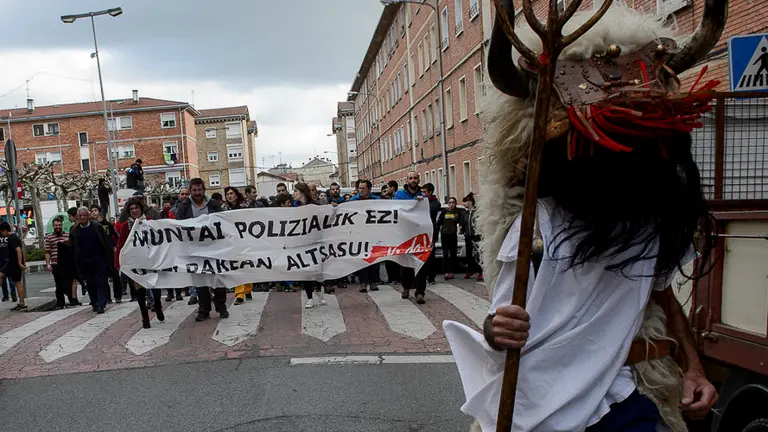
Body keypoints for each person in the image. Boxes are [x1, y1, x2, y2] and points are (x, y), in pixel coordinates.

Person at [444, 3, 724, 430]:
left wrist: (693, 367)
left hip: (624, 394)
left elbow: (662, 294)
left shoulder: (651, 222)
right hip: (546, 404)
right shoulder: (534, 227)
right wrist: (497, 330)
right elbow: (501, 315)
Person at [174, 178, 228, 321]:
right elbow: (177, 226)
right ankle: (204, 310)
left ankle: (221, 307)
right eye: (194, 190)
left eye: (199, 190)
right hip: (195, 251)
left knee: (218, 279)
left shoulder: (215, 205)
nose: (197, 193)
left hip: (215, 249)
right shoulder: (184, 207)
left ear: (204, 190)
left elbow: (223, 223)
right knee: (200, 281)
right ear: (190, 191)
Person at [115, 198, 164, 328]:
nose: (134, 211)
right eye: (131, 209)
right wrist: (118, 262)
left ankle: (158, 306)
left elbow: (159, 238)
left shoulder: (149, 221)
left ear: (141, 209)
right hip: (135, 262)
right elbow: (121, 245)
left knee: (155, 285)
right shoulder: (126, 226)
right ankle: (145, 318)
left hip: (150, 259)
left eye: (136, 208)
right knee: (140, 291)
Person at [69, 207, 114, 314]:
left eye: (85, 215)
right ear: (78, 217)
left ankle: (101, 304)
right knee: (90, 283)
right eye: (80, 216)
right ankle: (94, 302)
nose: (83, 217)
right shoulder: (75, 230)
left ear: (88, 216)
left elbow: (106, 242)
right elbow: (73, 247)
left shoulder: (97, 226)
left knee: (102, 281)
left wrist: (110, 257)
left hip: (99, 259)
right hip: (84, 261)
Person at [394, 172, 428, 304]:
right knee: (405, 263)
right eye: (410, 178)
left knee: (421, 263)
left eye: (415, 178)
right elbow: (396, 210)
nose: (413, 180)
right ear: (407, 180)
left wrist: (422, 202)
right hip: (405, 234)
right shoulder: (399, 195)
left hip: (420, 234)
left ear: (418, 180)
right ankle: (406, 287)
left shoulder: (423, 195)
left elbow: (429, 210)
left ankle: (420, 292)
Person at [293, 183, 326, 308]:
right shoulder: (294, 208)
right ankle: (309, 297)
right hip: (301, 243)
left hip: (316, 242)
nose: (293, 193)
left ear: (302, 192)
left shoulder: (316, 206)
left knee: (317, 269)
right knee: (305, 270)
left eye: (295, 191)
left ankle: (318, 288)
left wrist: (333, 208)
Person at [222, 186, 253, 305]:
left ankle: (248, 289)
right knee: (236, 267)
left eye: (231, 193)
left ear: (236, 194)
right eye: (227, 194)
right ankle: (239, 294)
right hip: (231, 242)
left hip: (244, 240)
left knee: (246, 266)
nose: (229, 196)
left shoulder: (244, 206)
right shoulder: (223, 209)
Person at [349, 180, 381, 292]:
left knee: (374, 257)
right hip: (359, 233)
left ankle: (373, 282)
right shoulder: (353, 201)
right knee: (362, 258)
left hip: (374, 233)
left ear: (369, 189)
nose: (360, 190)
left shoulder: (377, 200)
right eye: (359, 188)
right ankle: (363, 282)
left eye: (363, 188)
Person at [45, 216, 81, 309]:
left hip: (66, 263)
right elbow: (47, 251)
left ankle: (72, 299)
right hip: (55, 263)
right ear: (53, 226)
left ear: (62, 225)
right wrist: (48, 263)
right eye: (56, 225)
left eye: (59, 225)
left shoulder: (67, 235)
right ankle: (60, 303)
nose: (58, 227)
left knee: (69, 282)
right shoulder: (49, 237)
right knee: (58, 284)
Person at [0, 222, 27, 311]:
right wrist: (24, 262)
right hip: (11, 262)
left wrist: (20, 263)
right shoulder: (13, 237)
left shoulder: (12, 238)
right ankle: (21, 303)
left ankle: (22, 303)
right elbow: (21, 249)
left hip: (14, 263)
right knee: (1, 275)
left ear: (4, 230)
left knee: (17, 282)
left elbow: (18, 250)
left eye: (1, 232)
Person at [436, 197, 463, 280]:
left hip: (453, 235)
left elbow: (461, 222)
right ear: (448, 204)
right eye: (450, 202)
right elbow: (439, 223)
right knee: (445, 254)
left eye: (453, 202)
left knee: (453, 254)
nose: (451, 204)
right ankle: (446, 272)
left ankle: (451, 271)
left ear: (455, 204)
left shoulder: (458, 213)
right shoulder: (444, 212)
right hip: (444, 235)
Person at [462, 193, 483, 281]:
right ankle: (470, 270)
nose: (464, 204)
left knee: (478, 254)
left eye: (465, 202)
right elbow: (463, 223)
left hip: (476, 236)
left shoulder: (476, 212)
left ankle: (480, 271)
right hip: (468, 236)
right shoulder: (465, 213)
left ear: (470, 202)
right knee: (469, 254)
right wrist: (463, 230)